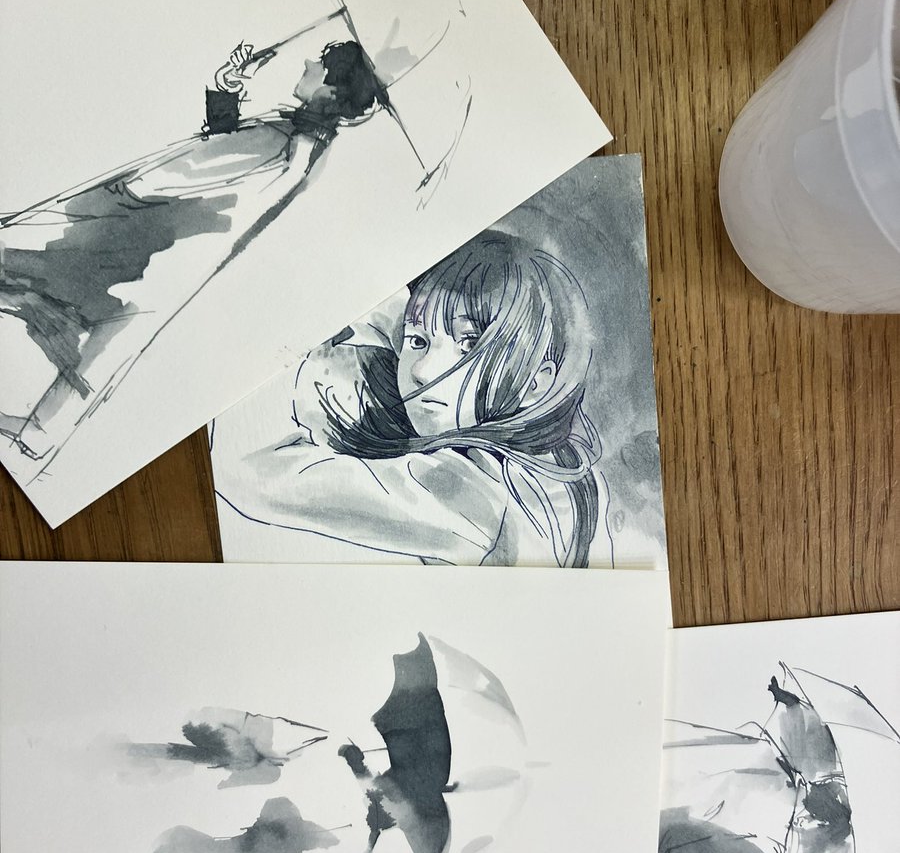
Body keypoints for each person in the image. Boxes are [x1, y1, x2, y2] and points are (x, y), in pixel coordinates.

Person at [0, 35, 386, 462]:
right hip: (148, 220)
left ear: (330, 91)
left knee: (93, 317)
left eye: (321, 64)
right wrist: (228, 88)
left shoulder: (302, 147)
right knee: (91, 317)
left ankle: (39, 428)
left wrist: (135, 195)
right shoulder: (294, 130)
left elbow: (232, 182)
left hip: (158, 232)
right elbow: (223, 148)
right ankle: (39, 428)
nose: (309, 62)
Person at [214, 231, 610, 567]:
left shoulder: (470, 494)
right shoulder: (566, 470)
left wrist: (289, 347)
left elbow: (241, 470)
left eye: (468, 346)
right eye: (417, 341)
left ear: (535, 383)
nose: (421, 370)